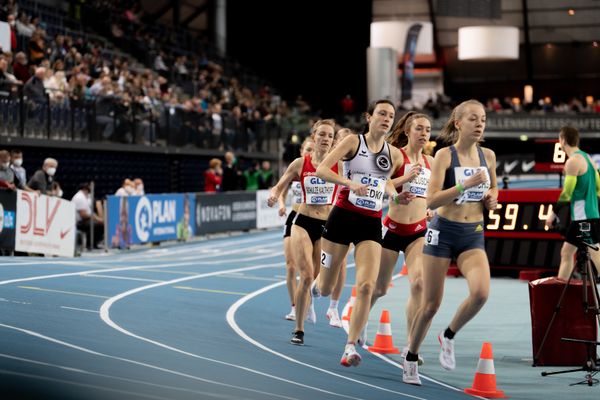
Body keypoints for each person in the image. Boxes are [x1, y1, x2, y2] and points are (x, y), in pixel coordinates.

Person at [312, 100, 414, 367]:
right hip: (342, 217)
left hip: (370, 223)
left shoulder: (394, 154)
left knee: (367, 286)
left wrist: (395, 196)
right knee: (324, 287)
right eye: (381, 113)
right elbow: (322, 169)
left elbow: (386, 182)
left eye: (391, 116)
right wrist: (348, 183)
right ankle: (317, 284)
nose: (386, 119)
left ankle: (349, 347)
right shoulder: (352, 143)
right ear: (369, 117)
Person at [403, 99, 498, 385]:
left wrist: (492, 198)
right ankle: (410, 359)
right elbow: (431, 200)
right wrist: (463, 186)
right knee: (430, 304)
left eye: (482, 119)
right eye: (473, 119)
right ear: (458, 123)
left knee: (481, 293)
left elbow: (492, 188)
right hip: (443, 232)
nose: (480, 124)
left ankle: (449, 334)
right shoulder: (445, 155)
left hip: (473, 233)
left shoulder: (489, 156)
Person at [267, 119, 338, 346]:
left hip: (327, 225)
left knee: (319, 281)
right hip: (302, 221)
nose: (326, 139)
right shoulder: (300, 163)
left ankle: (310, 298)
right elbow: (280, 186)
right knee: (306, 275)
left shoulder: (340, 164)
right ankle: (299, 329)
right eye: (322, 135)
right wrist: (273, 195)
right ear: (314, 137)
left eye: (330, 136)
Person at [370, 112, 433, 363]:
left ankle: (410, 345)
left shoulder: (431, 161)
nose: (424, 133)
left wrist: (432, 207)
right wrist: (395, 194)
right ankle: (357, 322)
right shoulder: (397, 155)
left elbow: (434, 192)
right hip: (393, 229)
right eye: (419, 128)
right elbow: (382, 181)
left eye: (428, 129)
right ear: (408, 130)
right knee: (379, 288)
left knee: (419, 284)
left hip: (418, 231)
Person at [545, 126, 600, 280]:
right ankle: (559, 287)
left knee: (595, 253)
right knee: (567, 252)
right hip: (589, 215)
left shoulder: (573, 162)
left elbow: (567, 193)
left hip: (583, 217)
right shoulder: (589, 158)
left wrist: (553, 213)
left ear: (562, 140)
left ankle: (559, 287)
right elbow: (598, 188)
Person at [277, 137, 315, 321]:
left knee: (308, 269)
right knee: (290, 265)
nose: (310, 152)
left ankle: (307, 302)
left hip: (313, 219)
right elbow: (281, 193)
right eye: (307, 149)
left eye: (312, 149)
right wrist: (282, 205)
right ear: (301, 150)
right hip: (294, 216)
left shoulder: (318, 170)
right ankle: (294, 306)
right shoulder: (296, 168)